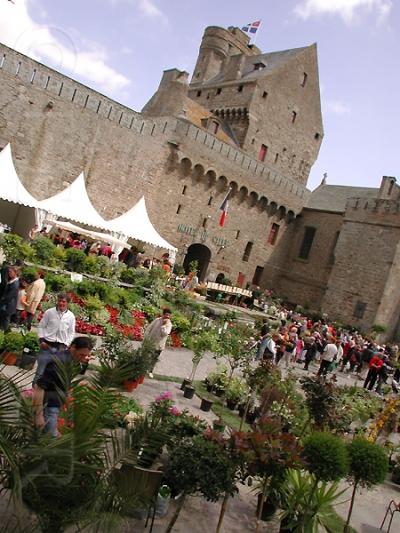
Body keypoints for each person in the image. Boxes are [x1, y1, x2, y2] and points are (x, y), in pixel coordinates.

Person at [32, 336, 93, 437]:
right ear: (73, 347)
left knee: (46, 437)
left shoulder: (70, 360)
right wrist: (38, 415)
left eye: (86, 356)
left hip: (55, 403)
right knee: (51, 438)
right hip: (49, 405)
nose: (83, 358)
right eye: (81, 355)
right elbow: (39, 387)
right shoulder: (58, 363)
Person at [35, 293, 76, 383]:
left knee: (54, 373)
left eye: (63, 301)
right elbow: (41, 326)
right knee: (40, 372)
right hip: (47, 346)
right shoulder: (50, 312)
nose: (61, 303)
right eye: (59, 301)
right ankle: (33, 394)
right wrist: (41, 340)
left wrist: (66, 344)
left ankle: (45, 394)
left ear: (67, 303)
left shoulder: (71, 316)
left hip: (60, 349)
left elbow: (71, 332)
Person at [143, 308, 172, 377]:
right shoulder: (157, 320)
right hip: (150, 342)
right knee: (146, 355)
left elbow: (165, 334)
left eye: (169, 316)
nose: (167, 317)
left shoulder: (169, 324)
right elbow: (149, 328)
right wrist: (146, 337)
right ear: (163, 314)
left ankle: (150, 371)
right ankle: (143, 368)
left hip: (159, 345)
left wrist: (163, 326)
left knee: (154, 358)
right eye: (166, 315)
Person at [0, 266, 19, 331]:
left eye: (10, 272)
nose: (9, 273)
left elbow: (9, 297)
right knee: (3, 321)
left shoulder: (15, 283)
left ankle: (4, 335)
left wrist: (1, 301)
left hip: (8, 306)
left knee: (5, 323)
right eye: (8, 272)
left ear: (15, 272)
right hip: (6, 305)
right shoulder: (11, 281)